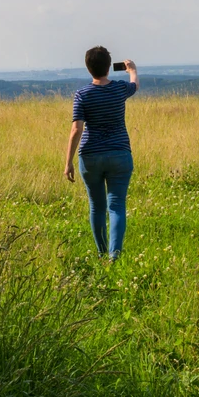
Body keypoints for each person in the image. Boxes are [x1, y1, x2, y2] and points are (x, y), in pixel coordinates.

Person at [64, 46, 137, 259]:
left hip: (90, 156)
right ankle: (115, 255)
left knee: (96, 207)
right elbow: (135, 85)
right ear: (109, 67)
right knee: (116, 206)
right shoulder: (119, 89)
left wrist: (68, 162)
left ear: (88, 68)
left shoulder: (82, 94)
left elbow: (76, 129)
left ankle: (101, 253)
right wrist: (132, 70)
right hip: (119, 153)